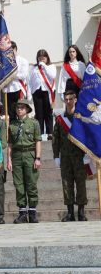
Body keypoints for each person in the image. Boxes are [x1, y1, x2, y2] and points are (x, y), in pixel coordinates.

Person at [53, 90, 89, 221]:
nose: (68, 102)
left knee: (80, 184)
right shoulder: (60, 119)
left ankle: (81, 212)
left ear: (75, 100)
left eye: (70, 99)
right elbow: (56, 139)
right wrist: (56, 156)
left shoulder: (81, 117)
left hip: (79, 156)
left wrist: (87, 154)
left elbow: (87, 136)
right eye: (66, 99)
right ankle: (70, 213)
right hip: (65, 157)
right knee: (66, 184)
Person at [7, 99, 42, 224]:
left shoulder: (34, 123)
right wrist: (9, 160)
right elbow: (10, 144)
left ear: (27, 109)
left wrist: (38, 158)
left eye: (22, 107)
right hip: (16, 155)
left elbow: (38, 141)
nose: (19, 109)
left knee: (31, 183)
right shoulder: (12, 125)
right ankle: (22, 212)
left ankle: (32, 212)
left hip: (29, 154)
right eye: (18, 107)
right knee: (19, 185)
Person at [29, 49, 56, 139]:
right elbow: (30, 81)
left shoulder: (51, 66)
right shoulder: (34, 68)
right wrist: (29, 93)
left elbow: (52, 76)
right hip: (37, 91)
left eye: (43, 57)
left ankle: (50, 132)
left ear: (47, 58)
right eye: (40, 58)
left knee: (48, 112)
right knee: (39, 113)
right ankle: (39, 133)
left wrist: (44, 65)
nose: (41, 59)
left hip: (48, 91)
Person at [3, 41, 32, 120]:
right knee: (10, 112)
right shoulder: (5, 62)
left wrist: (12, 75)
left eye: (11, 50)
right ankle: (12, 127)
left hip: (19, 88)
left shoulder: (23, 61)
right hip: (8, 89)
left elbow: (23, 75)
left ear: (15, 49)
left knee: (21, 110)